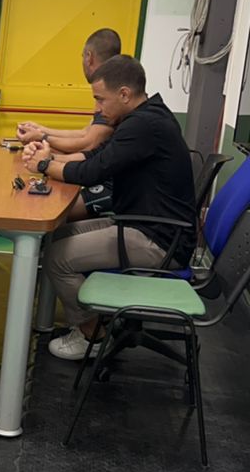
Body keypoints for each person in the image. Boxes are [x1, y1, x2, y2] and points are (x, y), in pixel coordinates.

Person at [23, 56, 198, 361]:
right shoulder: (144, 117)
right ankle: (94, 322)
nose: (97, 108)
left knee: (57, 258)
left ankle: (92, 335)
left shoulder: (145, 125)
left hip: (159, 240)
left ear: (124, 94)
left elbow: (93, 172)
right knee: (56, 234)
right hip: (142, 223)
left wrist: (43, 166)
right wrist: (49, 158)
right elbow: (97, 155)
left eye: (100, 99)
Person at [18, 28, 123, 223]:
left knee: (44, 212)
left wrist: (44, 149)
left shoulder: (112, 93)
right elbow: (85, 134)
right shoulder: (110, 89)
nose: (98, 108)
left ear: (89, 57)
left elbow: (88, 144)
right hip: (99, 173)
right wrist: (41, 132)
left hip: (112, 185)